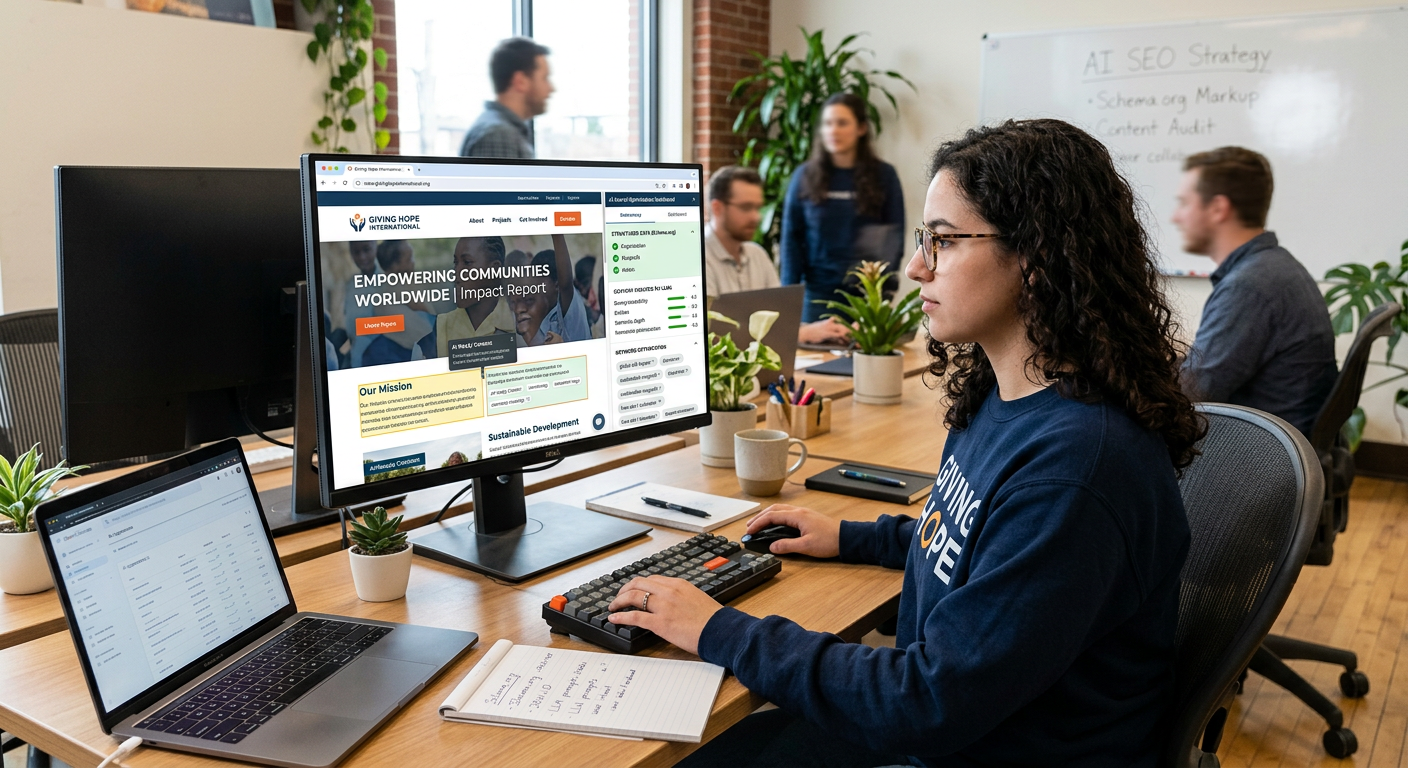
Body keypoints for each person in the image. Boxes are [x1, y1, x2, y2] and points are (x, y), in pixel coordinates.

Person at [606, 119, 1204, 766]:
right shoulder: (1004, 398)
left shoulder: (1077, 468)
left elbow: (922, 702)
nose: (916, 267)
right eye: (923, 240)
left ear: (1035, 257)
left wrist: (717, 628)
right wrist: (853, 538)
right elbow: (976, 548)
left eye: (943, 242)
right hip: (968, 724)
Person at [1173, 147, 1337, 437]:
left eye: (1185, 203)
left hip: (1258, 457)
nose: (1176, 217)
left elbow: (1189, 396)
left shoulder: (1250, 287)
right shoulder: (1275, 267)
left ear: (1218, 209)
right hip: (1281, 442)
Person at [781, 93, 906, 322]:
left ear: (861, 128)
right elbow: (791, 240)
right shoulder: (804, 176)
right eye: (828, 124)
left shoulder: (884, 176)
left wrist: (884, 290)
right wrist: (788, 297)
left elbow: (893, 237)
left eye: (842, 123)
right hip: (816, 296)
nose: (833, 131)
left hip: (867, 295)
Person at [706, 165, 851, 345]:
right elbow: (715, 336)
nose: (756, 217)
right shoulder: (698, 259)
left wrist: (819, 330)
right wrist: (802, 334)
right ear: (717, 208)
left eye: (758, 207)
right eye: (746, 207)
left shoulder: (757, 254)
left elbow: (778, 320)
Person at [459, 37, 553, 159]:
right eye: (545, 78)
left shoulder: (499, 130)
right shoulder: (499, 136)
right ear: (521, 81)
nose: (551, 89)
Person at [425, 236, 518, 357]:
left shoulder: (519, 322)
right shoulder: (438, 329)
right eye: (456, 263)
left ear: (494, 269)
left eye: (467, 262)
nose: (456, 273)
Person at [361, 240, 434, 367]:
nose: (413, 262)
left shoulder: (381, 288)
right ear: (395, 266)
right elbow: (431, 313)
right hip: (402, 351)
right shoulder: (402, 286)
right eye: (409, 259)